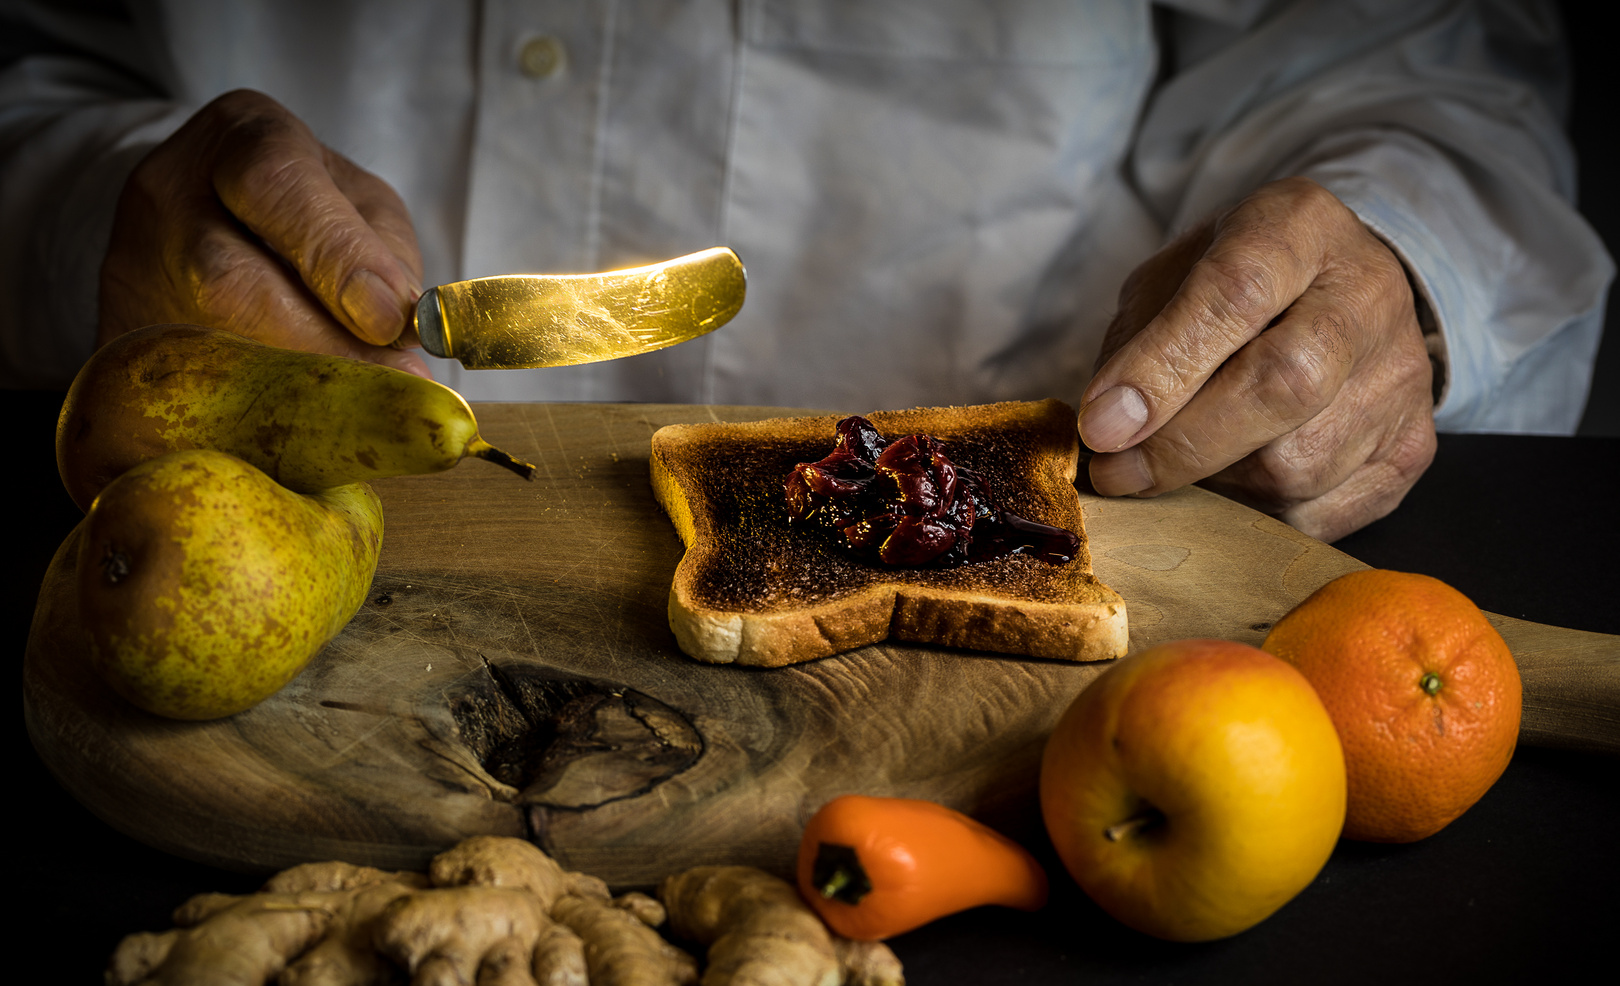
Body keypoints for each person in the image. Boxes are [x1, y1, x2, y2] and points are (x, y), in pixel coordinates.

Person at [1, 0, 1610, 541]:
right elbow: (38, 59)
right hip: (236, 526)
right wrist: (98, 227)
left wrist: (1396, 257)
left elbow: (1409, 59)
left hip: (1062, 544)